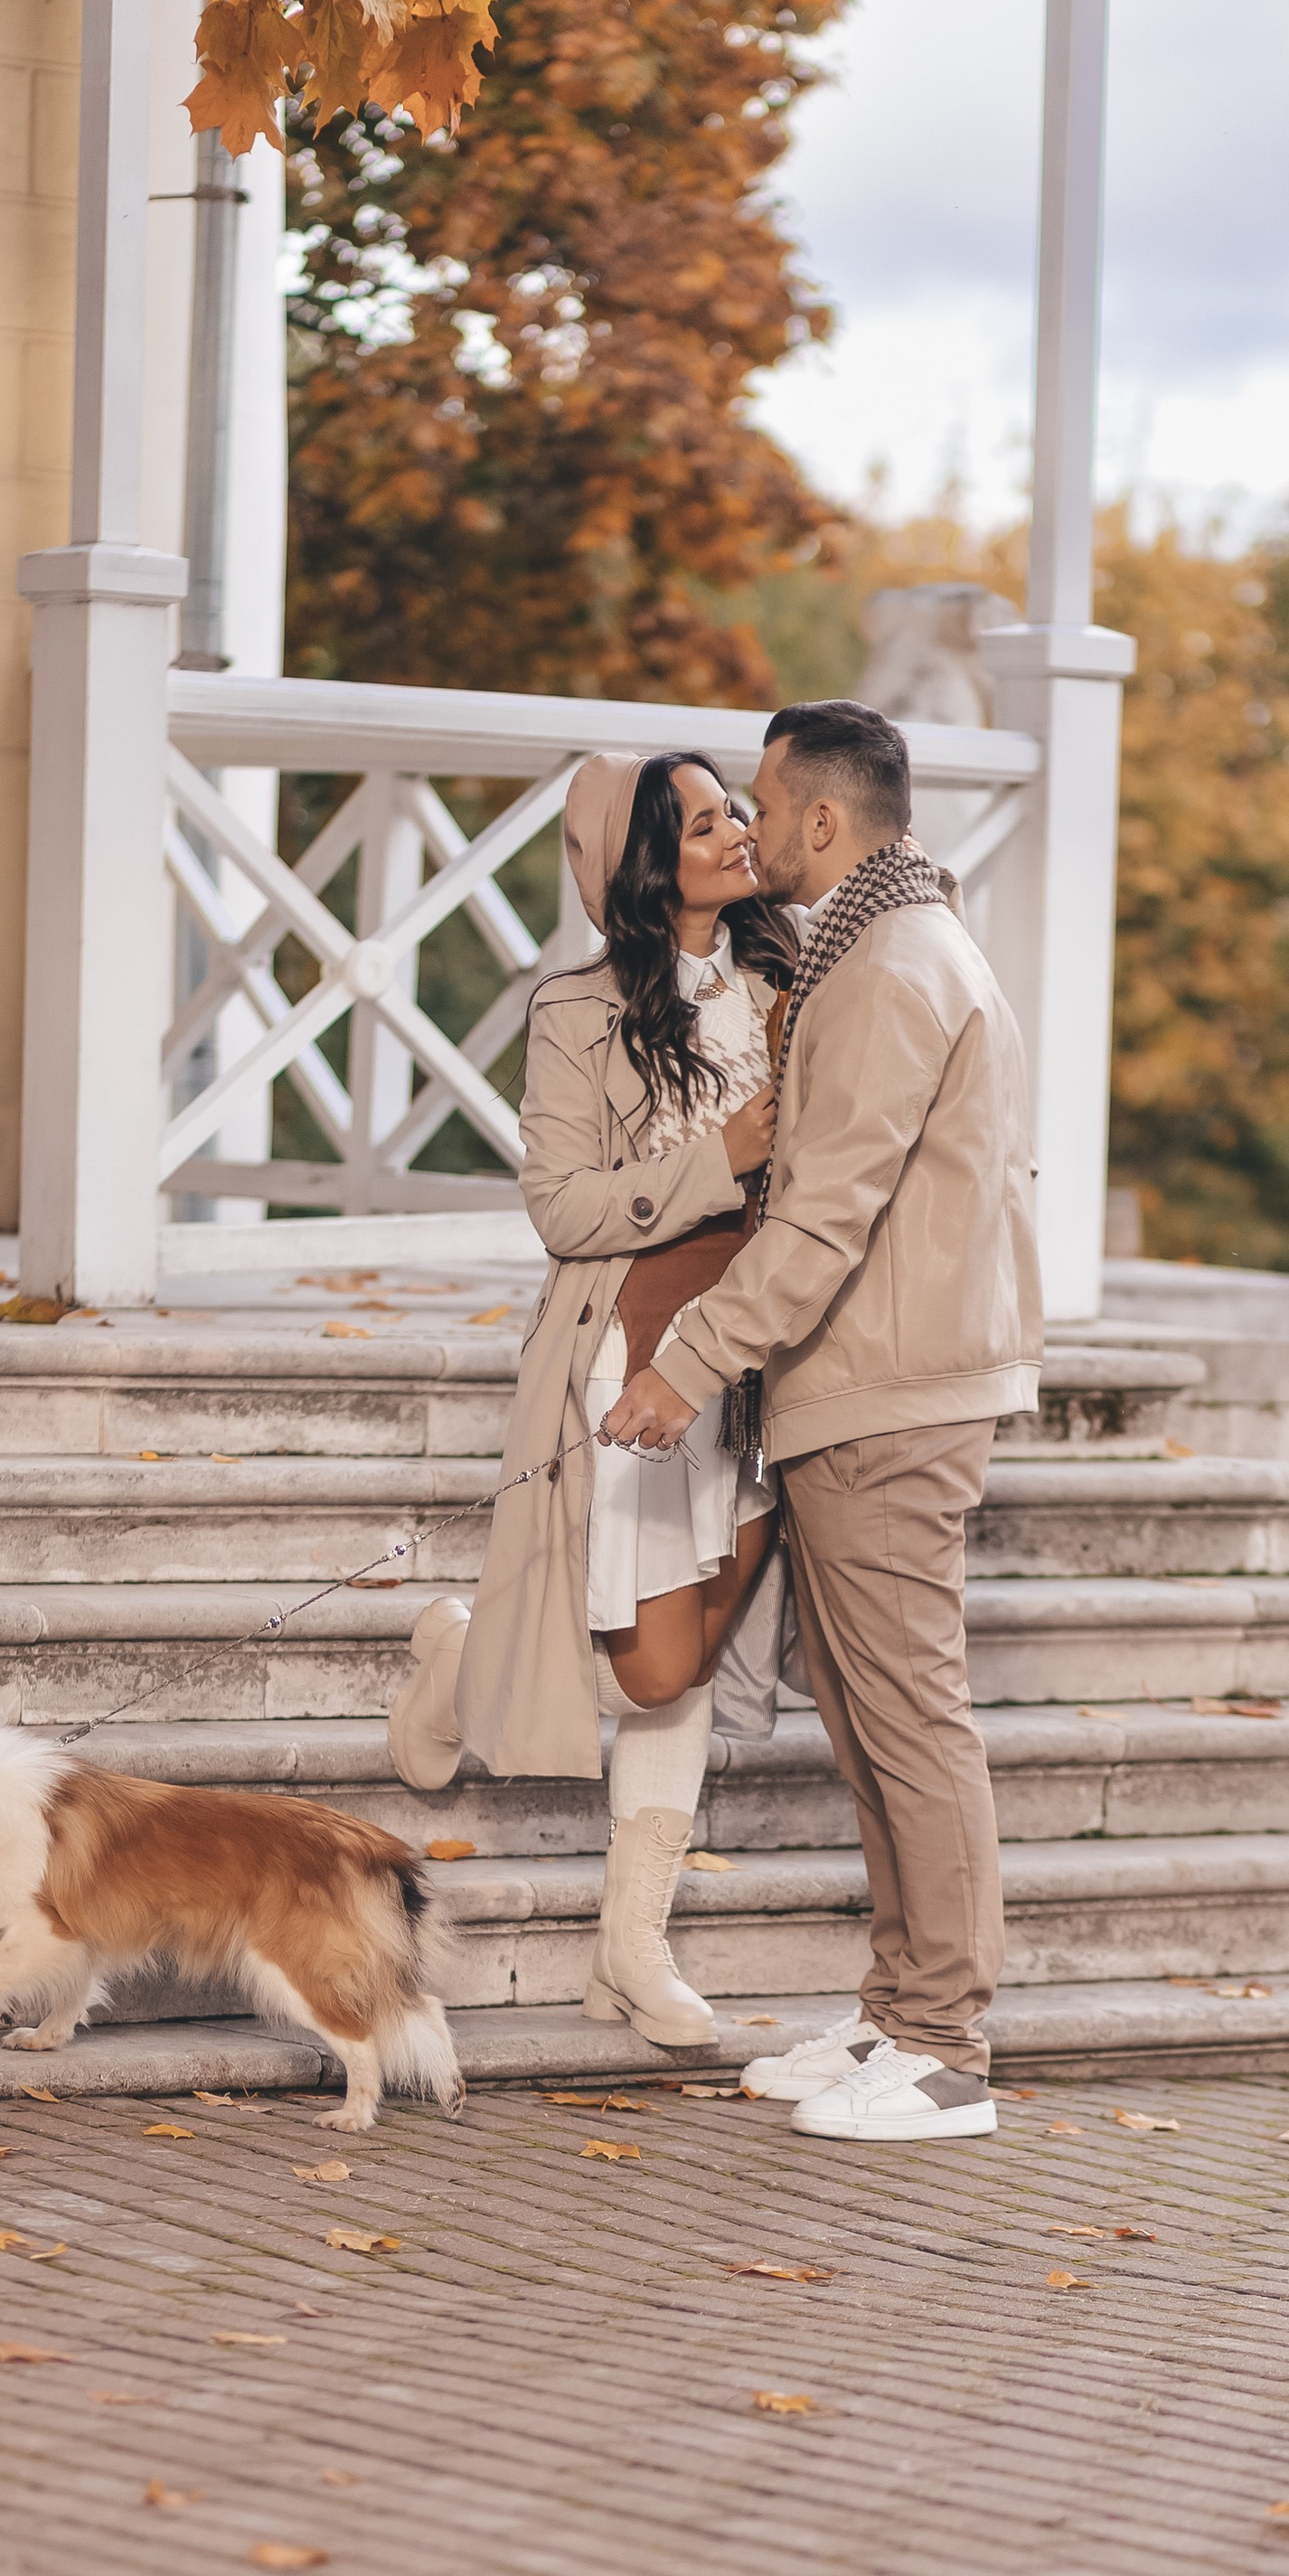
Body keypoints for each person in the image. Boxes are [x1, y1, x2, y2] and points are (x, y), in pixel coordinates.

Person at [599, 698, 1043, 2143]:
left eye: (770, 802)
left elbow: (829, 1207)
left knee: (909, 1715)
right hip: (864, 1381)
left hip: (893, 1389)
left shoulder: (892, 968)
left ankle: (945, 2046)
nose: (754, 823)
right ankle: (899, 2006)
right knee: (866, 1716)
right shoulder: (877, 951)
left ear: (826, 823)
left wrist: (691, 1356)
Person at [385, 752, 798, 2044]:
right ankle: (463, 1662)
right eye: (707, 818)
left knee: (689, 1671)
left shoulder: (788, 980)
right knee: (661, 1661)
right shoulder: (579, 1008)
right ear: (641, 860)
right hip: (636, 1365)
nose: (740, 827)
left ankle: (631, 1949)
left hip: (764, 1372)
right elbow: (562, 1208)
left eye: (740, 806)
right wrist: (718, 1156)